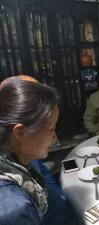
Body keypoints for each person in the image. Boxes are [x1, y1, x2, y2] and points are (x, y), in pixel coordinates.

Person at [0, 76, 75, 225]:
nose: (55, 136)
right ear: (20, 133)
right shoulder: (15, 210)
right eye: (51, 129)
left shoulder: (17, 158)